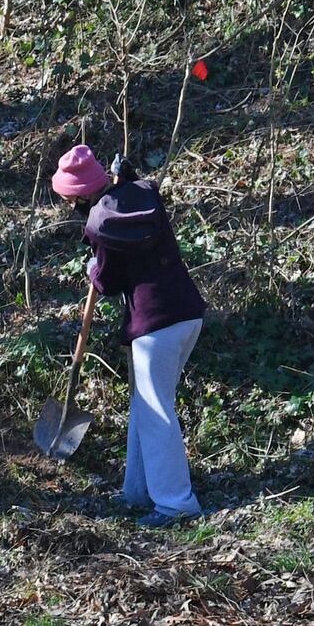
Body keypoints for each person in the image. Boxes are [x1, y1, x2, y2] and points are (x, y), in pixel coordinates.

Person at [58, 145, 209, 525]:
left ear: (78, 195)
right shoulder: (138, 194)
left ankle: (176, 504)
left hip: (155, 325)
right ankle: (137, 490)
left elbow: (107, 281)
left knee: (157, 412)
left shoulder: (102, 220)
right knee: (147, 406)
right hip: (187, 313)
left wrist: (94, 265)